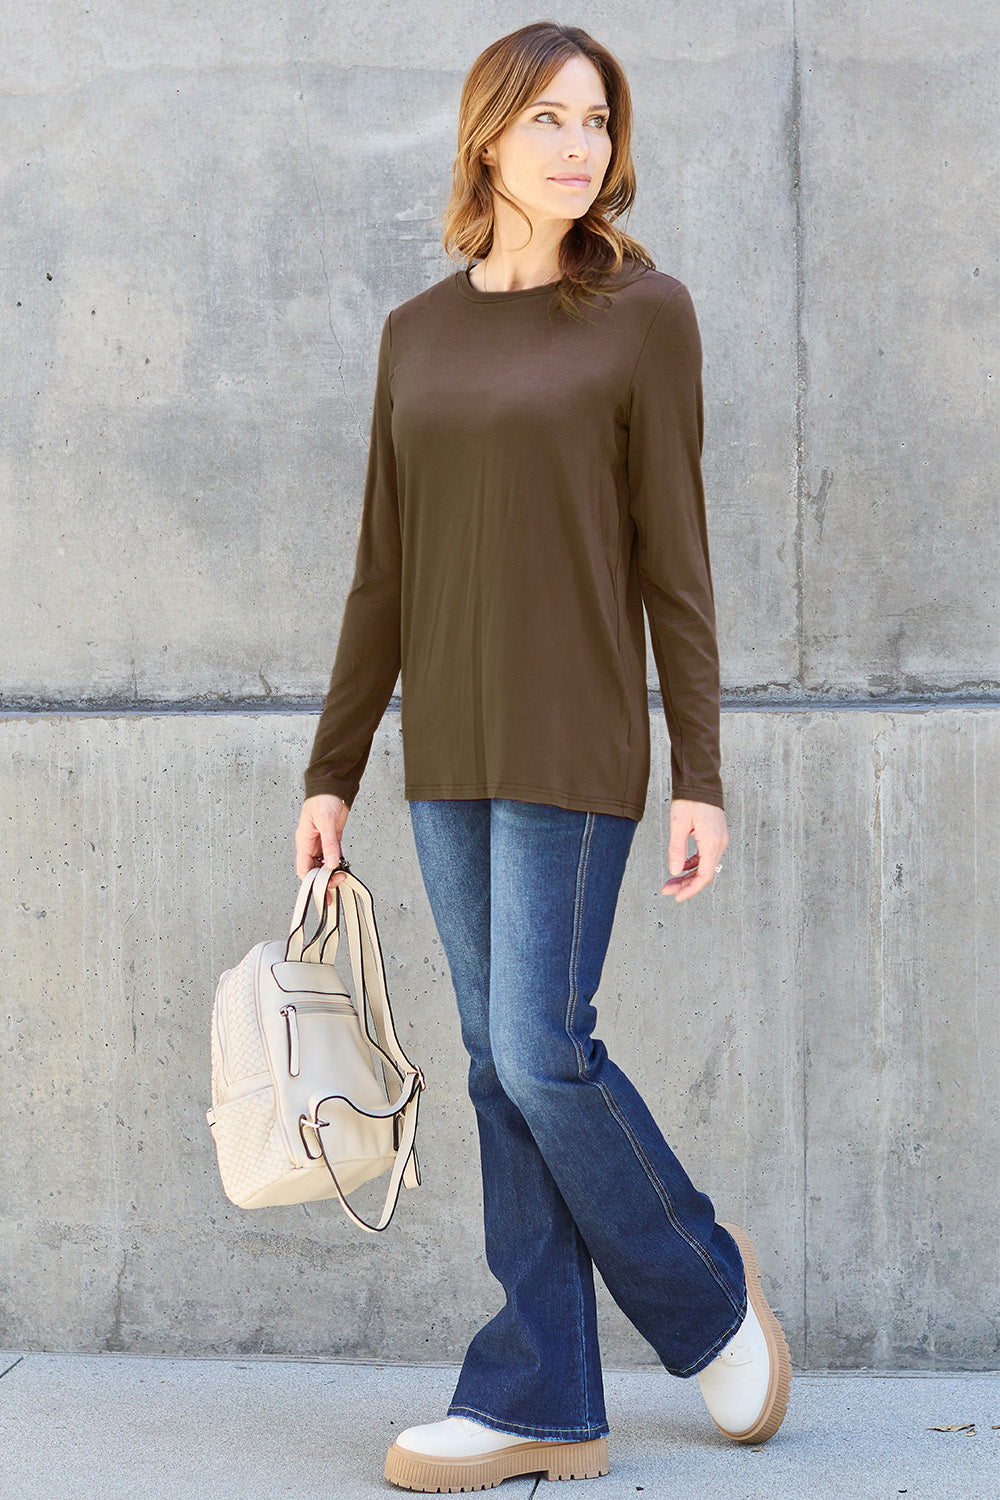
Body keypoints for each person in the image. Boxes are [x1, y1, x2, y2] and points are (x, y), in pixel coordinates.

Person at [294, 20, 791, 1494]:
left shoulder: (644, 314)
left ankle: (701, 1290)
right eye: (552, 120)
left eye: (599, 122)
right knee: (497, 1072)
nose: (581, 146)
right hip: (445, 747)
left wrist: (701, 770)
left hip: (575, 740)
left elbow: (676, 565)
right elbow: (382, 572)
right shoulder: (416, 334)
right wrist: (331, 769)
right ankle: (544, 1398)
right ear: (490, 138)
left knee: (542, 1050)